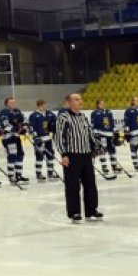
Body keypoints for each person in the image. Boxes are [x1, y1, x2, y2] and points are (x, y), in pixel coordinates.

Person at [54, 94, 103, 223]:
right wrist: (63, 154)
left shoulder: (84, 117)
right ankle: (74, 212)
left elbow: (90, 134)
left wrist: (97, 146)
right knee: (72, 186)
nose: (80, 101)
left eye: (80, 99)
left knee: (90, 184)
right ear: (68, 103)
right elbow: (59, 137)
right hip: (72, 156)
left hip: (86, 155)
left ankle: (91, 210)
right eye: (76, 99)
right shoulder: (63, 117)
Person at [0, 97, 29, 184]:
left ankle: (18, 175)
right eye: (11, 103)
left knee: (20, 154)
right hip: (8, 138)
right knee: (12, 156)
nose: (13, 104)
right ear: (7, 104)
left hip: (16, 137)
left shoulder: (17, 111)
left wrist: (24, 128)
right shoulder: (4, 112)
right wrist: (17, 129)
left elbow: (23, 121)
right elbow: (5, 125)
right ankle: (12, 177)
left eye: (14, 102)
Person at [28, 100, 58, 182]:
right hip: (39, 139)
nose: (44, 107)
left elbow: (55, 123)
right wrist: (35, 137)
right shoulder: (33, 115)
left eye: (45, 105)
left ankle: (50, 172)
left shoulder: (49, 114)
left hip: (47, 138)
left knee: (50, 155)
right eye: (42, 106)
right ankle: (38, 174)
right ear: (38, 106)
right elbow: (30, 127)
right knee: (39, 156)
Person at [91, 99, 123, 176]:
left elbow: (112, 122)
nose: (103, 104)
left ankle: (114, 166)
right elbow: (93, 124)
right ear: (97, 105)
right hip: (101, 134)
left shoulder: (108, 112)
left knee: (112, 149)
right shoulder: (94, 113)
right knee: (102, 150)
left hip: (109, 134)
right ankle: (104, 167)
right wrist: (95, 133)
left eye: (103, 103)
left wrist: (115, 131)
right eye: (101, 103)